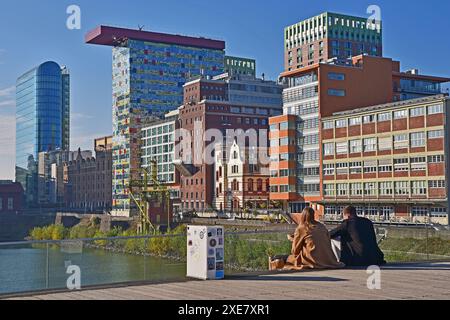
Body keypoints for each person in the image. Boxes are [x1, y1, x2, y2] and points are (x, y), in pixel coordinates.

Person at [270, 207, 345, 271]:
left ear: (302, 216)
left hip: (312, 261)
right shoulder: (322, 227)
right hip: (328, 260)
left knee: (275, 258)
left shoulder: (302, 228)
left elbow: (295, 252)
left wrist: (292, 239)